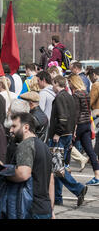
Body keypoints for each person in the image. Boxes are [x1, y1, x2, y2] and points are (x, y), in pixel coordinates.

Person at [48, 76, 87, 207]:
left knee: (58, 168)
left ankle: (78, 188)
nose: (52, 86)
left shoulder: (60, 97)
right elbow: (73, 116)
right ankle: (58, 197)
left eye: (52, 84)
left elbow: (63, 118)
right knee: (59, 168)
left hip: (61, 135)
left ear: (55, 83)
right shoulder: (69, 96)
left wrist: (57, 133)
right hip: (67, 134)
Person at [7, 112, 55, 219]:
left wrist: (4, 173)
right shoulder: (44, 146)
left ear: (26, 127)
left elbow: (23, 174)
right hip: (44, 208)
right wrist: (51, 210)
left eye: (14, 126)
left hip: (30, 209)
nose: (11, 130)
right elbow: (51, 180)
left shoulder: (25, 145)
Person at [68, 74, 99, 186]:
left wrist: (74, 129)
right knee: (90, 151)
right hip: (86, 123)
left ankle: (66, 173)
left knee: (68, 147)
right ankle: (97, 175)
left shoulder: (76, 94)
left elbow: (76, 113)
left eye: (69, 82)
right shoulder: (85, 93)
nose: (69, 84)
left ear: (73, 82)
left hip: (79, 124)